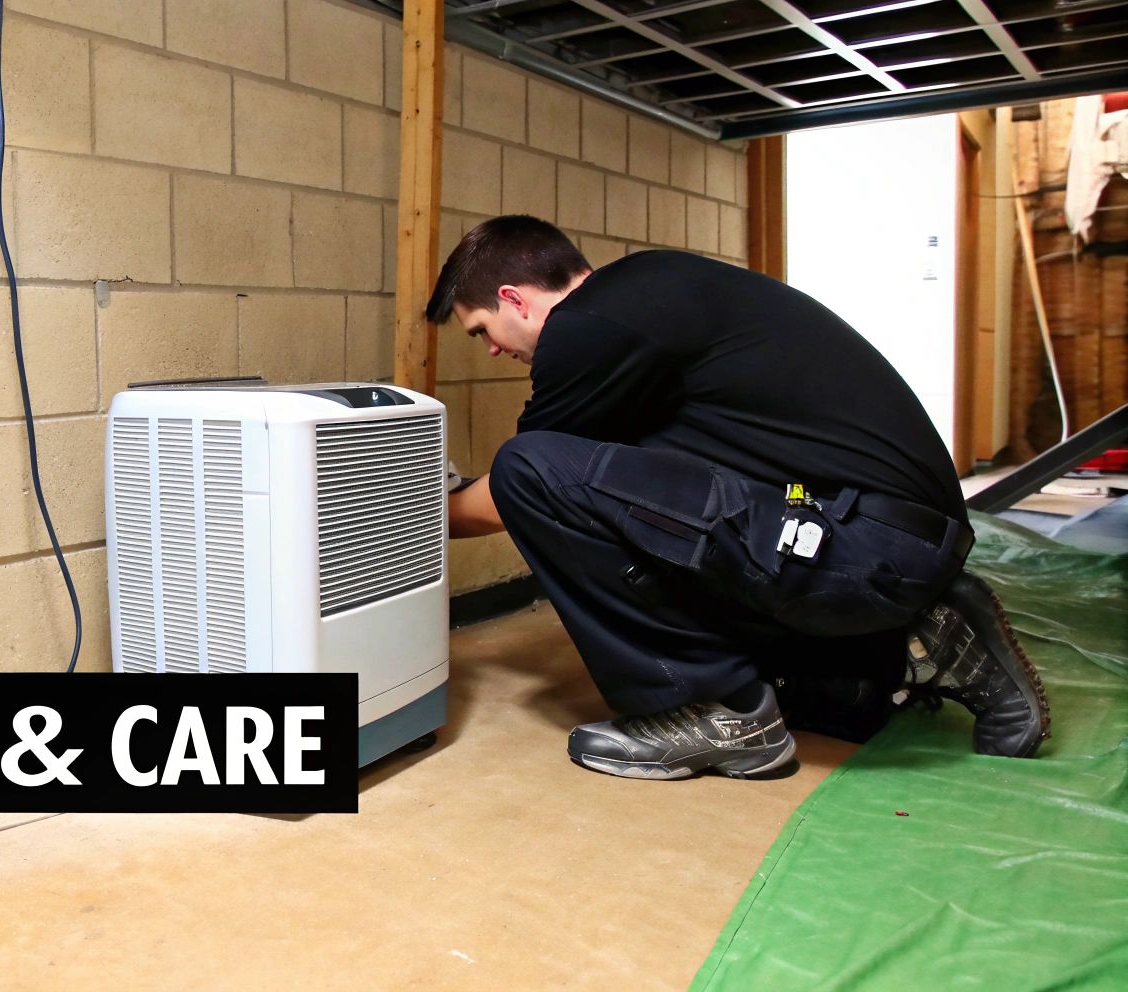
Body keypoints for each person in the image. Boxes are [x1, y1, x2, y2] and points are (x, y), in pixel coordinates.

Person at [435, 215, 1049, 780]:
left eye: (482, 329)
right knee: (833, 708)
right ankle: (918, 639)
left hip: (868, 543)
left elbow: (516, 490)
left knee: (526, 469)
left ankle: (719, 712)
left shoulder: (587, 328)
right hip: (889, 536)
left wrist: (407, 511)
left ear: (513, 298)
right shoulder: (647, 293)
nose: (492, 349)